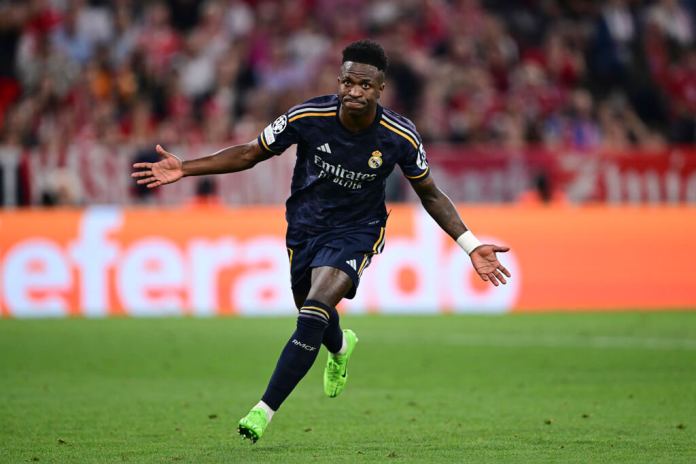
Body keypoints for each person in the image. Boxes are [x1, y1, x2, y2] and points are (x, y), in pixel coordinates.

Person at [131, 39, 511, 443]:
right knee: (313, 312)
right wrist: (185, 168)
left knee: (313, 310)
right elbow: (249, 153)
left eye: (365, 85)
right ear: (339, 81)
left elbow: (430, 193)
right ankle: (340, 347)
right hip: (305, 228)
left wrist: (470, 244)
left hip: (357, 230)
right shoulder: (307, 116)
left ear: (380, 88)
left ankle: (263, 411)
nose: (355, 91)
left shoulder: (399, 135)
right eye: (348, 82)